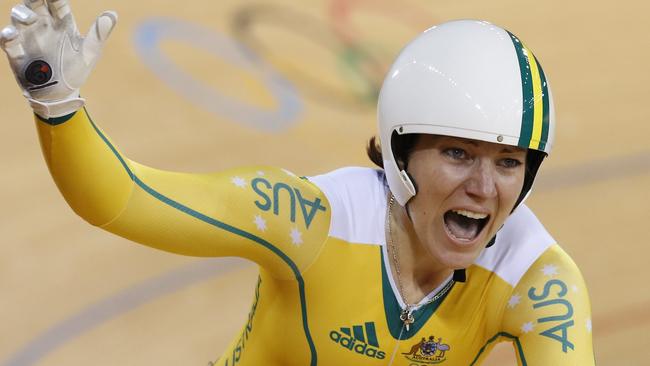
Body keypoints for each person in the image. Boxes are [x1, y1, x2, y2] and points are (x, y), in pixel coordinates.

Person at [1, 1, 595, 365]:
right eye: (458, 154)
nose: (485, 188)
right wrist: (56, 103)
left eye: (510, 163)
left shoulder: (535, 279)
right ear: (401, 152)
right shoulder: (313, 220)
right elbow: (122, 199)